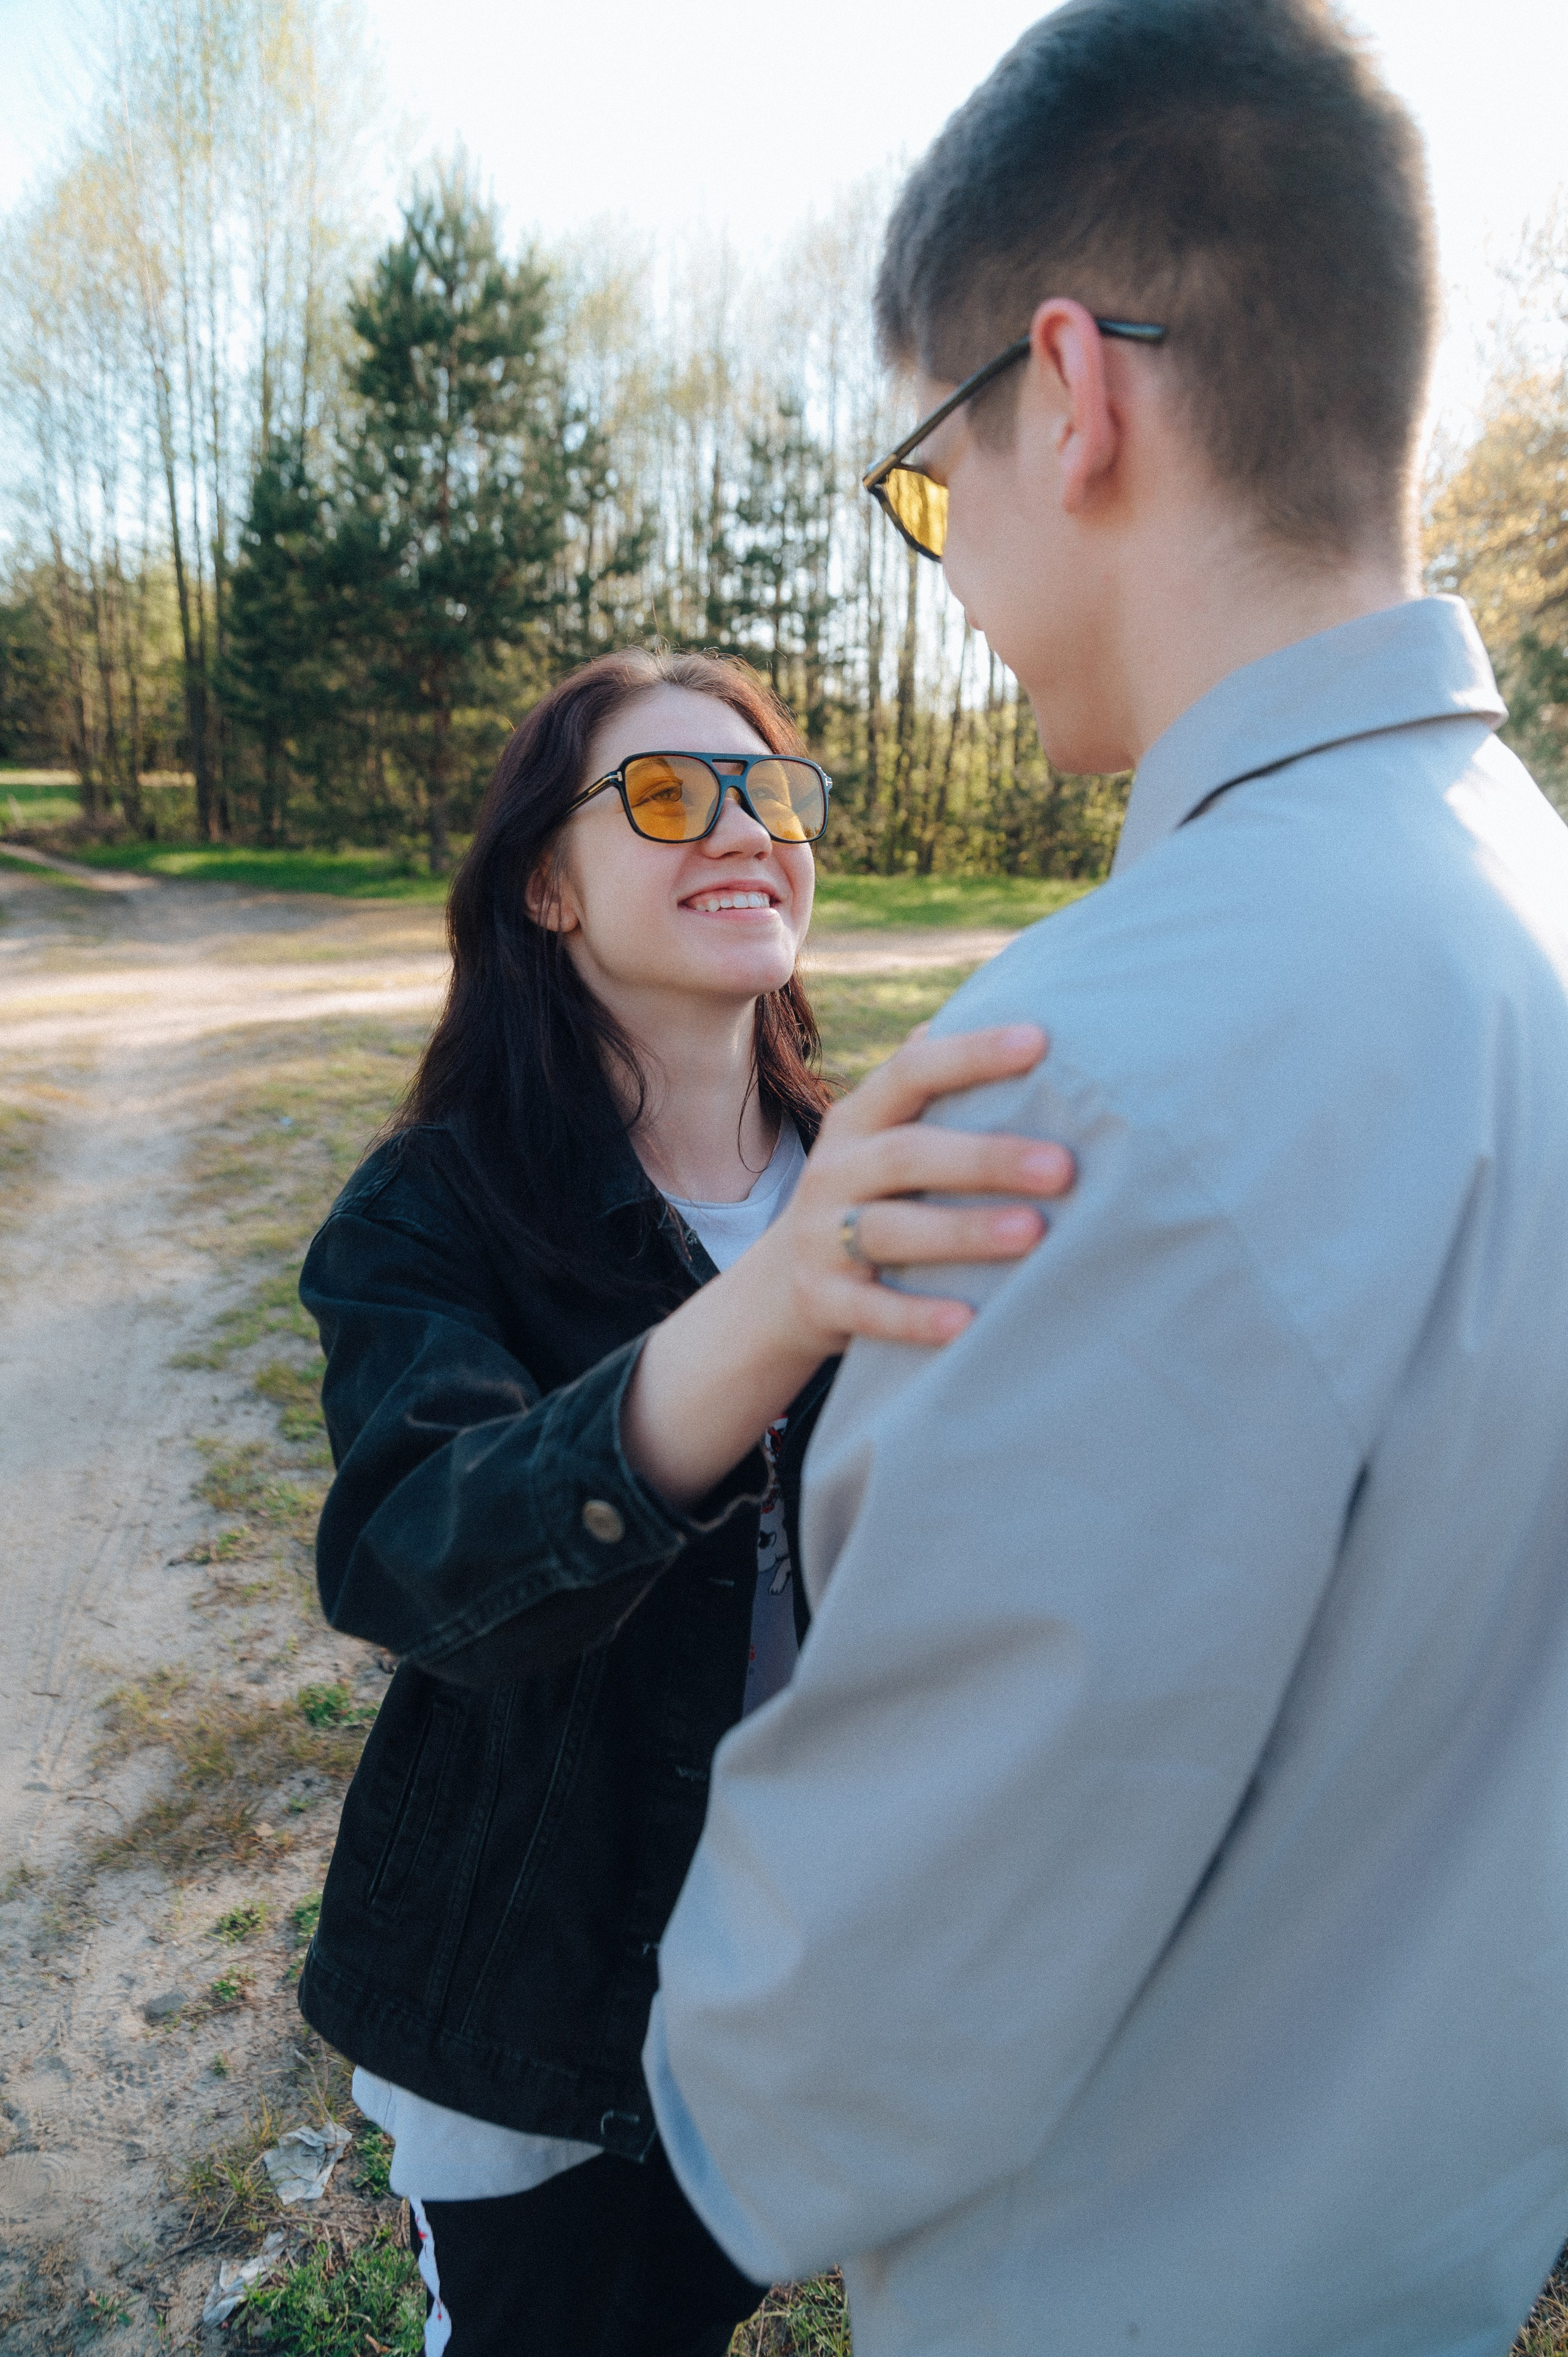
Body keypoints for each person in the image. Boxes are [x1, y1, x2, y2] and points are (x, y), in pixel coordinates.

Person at [643, 6, 1568, 2353]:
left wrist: (710, 2085)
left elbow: (861, 2020)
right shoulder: (1527, 908)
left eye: (933, 485)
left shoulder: (1104, 1066)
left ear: (1073, 393)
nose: (945, 561)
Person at [294, 645, 1074, 2357]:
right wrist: (780, 1299)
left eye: (769, 792)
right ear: (549, 888)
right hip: (541, 2007)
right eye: (665, 795)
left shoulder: (878, 1167)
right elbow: (420, 1557)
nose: (740, 828)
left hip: (818, 1984)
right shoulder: (429, 1211)